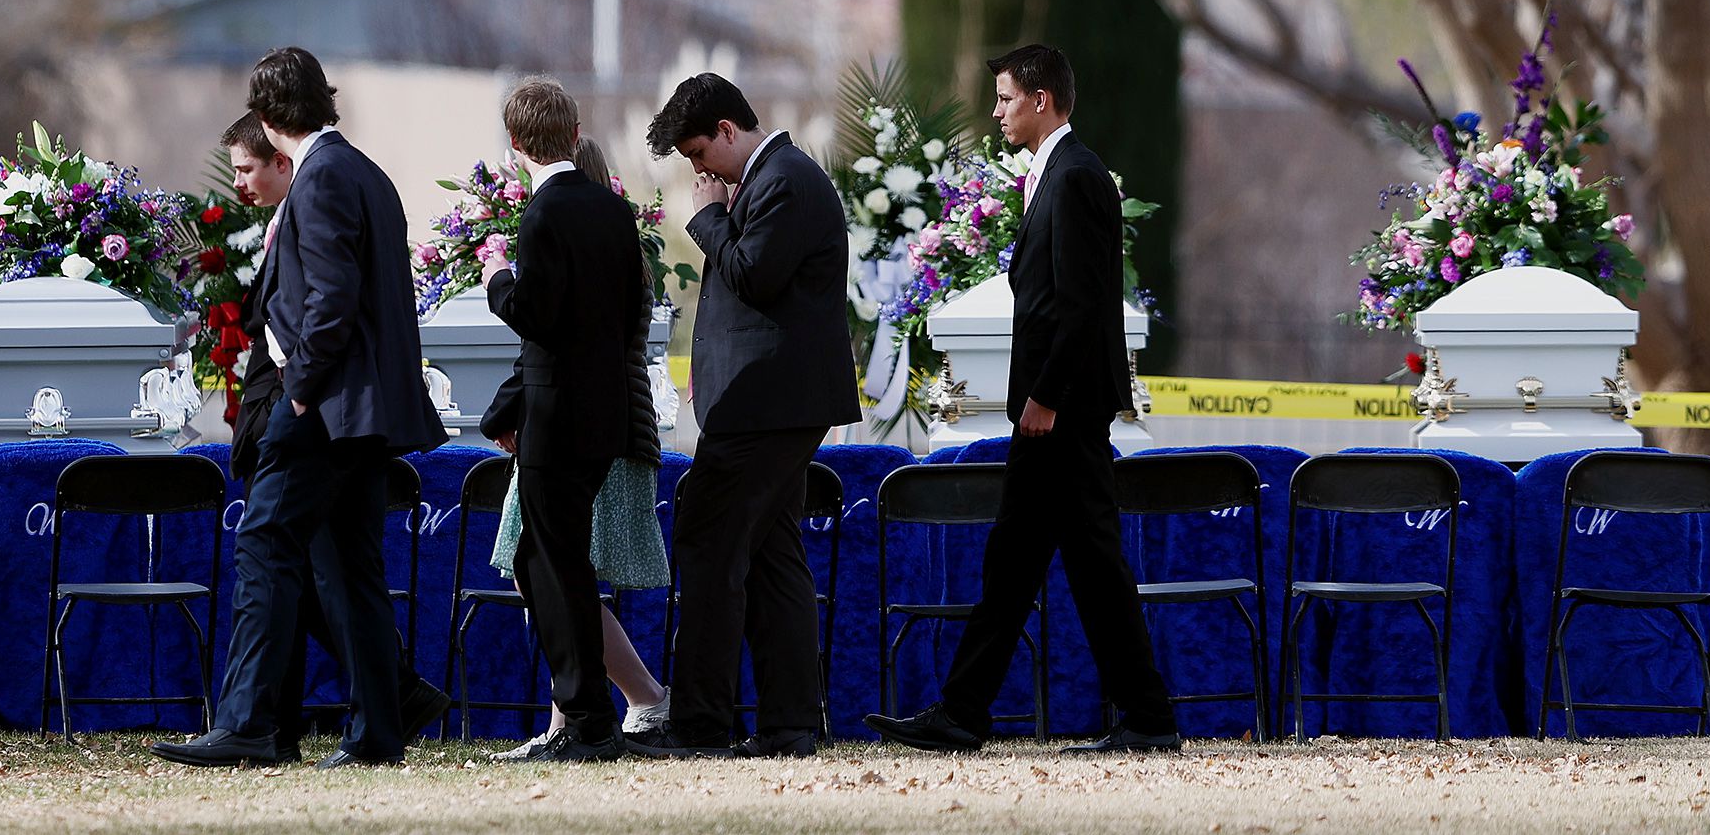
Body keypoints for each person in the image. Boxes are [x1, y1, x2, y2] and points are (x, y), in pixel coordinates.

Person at [867, 44, 1181, 755]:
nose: (997, 111)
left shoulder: (1073, 177)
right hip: (1057, 407)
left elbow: (1078, 305)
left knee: (1076, 561)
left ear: (1042, 101)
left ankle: (1142, 719)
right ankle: (969, 711)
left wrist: (1045, 397)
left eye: (1007, 98)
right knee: (1022, 561)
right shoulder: (1058, 174)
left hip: (1058, 409)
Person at [157, 48, 448, 769]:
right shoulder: (365, 173)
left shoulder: (319, 180)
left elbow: (331, 302)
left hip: (321, 408)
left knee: (265, 548)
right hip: (361, 415)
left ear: (266, 114)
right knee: (353, 573)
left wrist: (299, 393)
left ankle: (251, 723)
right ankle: (378, 733)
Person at [628, 73, 857, 759]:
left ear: (729, 130)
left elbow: (753, 273)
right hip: (769, 399)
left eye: (700, 154)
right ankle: (788, 724)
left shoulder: (784, 179)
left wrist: (707, 218)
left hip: (768, 404)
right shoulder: (770, 180)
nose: (699, 171)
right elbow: (755, 295)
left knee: (707, 544)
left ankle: (699, 725)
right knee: (773, 557)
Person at [474, 83, 655, 763]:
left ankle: (584, 720)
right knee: (549, 558)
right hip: (606, 408)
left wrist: (497, 280)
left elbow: (537, 316)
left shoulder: (543, 213)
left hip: (556, 413)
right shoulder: (611, 209)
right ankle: (587, 716)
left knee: (554, 563)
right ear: (575, 131)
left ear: (515, 144)